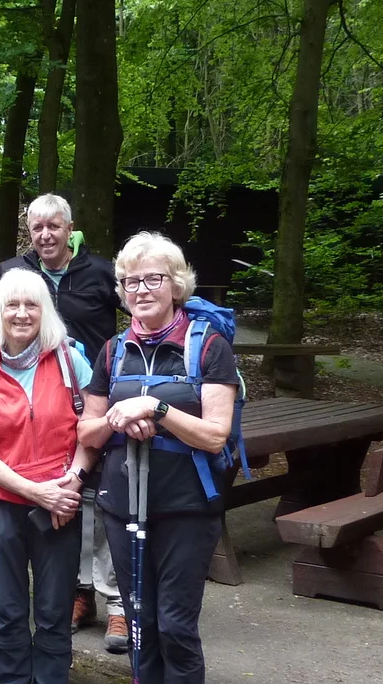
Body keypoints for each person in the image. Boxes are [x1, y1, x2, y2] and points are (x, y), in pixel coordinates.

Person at [78, 232, 240, 684]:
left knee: (175, 626)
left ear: (176, 285)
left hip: (186, 508)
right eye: (131, 282)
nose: (141, 290)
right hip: (122, 505)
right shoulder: (113, 350)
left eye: (153, 279)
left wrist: (157, 409)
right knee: (140, 626)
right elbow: (86, 431)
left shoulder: (208, 347)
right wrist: (118, 418)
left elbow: (214, 435)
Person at [0, 193, 127, 651]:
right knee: (65, 501)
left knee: (105, 500)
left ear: (69, 228)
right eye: (37, 228)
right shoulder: (16, 272)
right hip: (41, 406)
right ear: (28, 231)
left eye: (54, 226)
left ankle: (117, 606)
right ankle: (78, 593)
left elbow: (144, 315)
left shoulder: (101, 272)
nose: (45, 235)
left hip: (95, 400)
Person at [0, 268, 96, 683]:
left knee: (56, 611)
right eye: (12, 305)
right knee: (6, 611)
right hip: (4, 506)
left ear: (46, 311)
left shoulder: (71, 361)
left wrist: (72, 482)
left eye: (31, 305)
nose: (21, 314)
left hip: (61, 503)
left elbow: (90, 432)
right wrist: (37, 493)